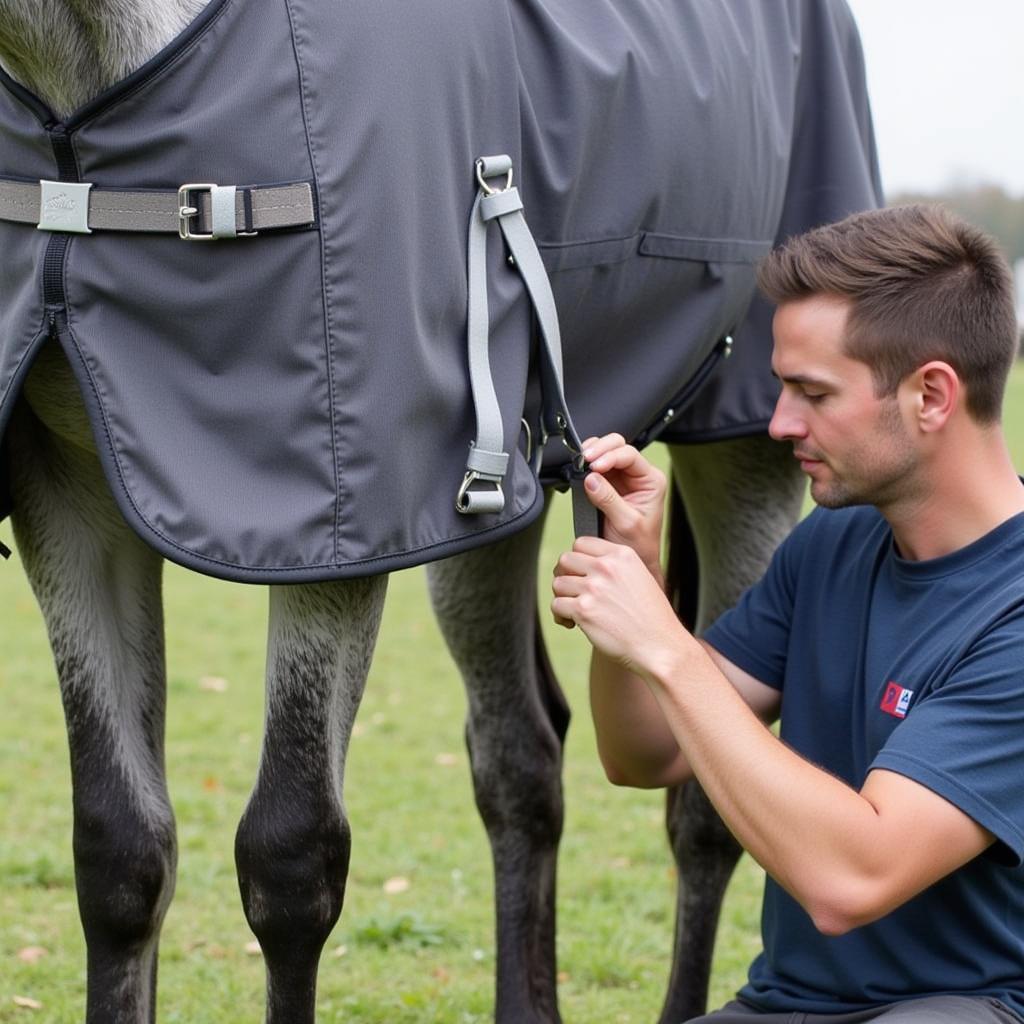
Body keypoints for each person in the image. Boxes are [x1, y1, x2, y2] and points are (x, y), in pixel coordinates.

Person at [551, 204, 1024, 1024]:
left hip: (969, 1010)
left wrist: (666, 646)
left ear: (932, 396)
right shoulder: (832, 542)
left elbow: (853, 880)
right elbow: (642, 753)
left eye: (813, 393)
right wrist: (637, 582)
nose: (779, 424)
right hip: (786, 1007)